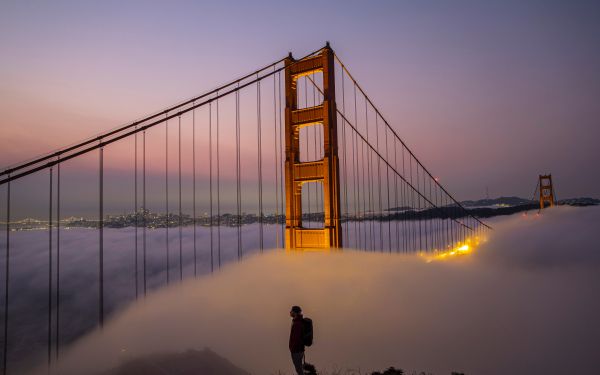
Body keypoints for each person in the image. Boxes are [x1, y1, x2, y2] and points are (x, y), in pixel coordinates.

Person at [289, 305, 305, 375]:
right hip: (299, 350)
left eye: (291, 311)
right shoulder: (298, 321)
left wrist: (292, 348)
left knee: (299, 370)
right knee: (299, 369)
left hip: (297, 350)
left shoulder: (297, 323)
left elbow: (296, 338)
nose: (290, 312)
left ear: (295, 312)